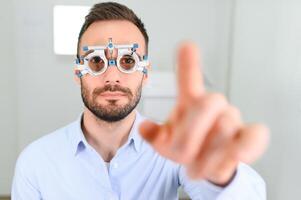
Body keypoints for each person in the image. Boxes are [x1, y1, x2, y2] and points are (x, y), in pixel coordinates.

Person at [12, 2, 269, 200]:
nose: (112, 77)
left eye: (127, 61)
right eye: (96, 61)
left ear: (145, 73)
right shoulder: (36, 161)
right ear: (77, 72)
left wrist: (222, 175)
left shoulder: (173, 149)